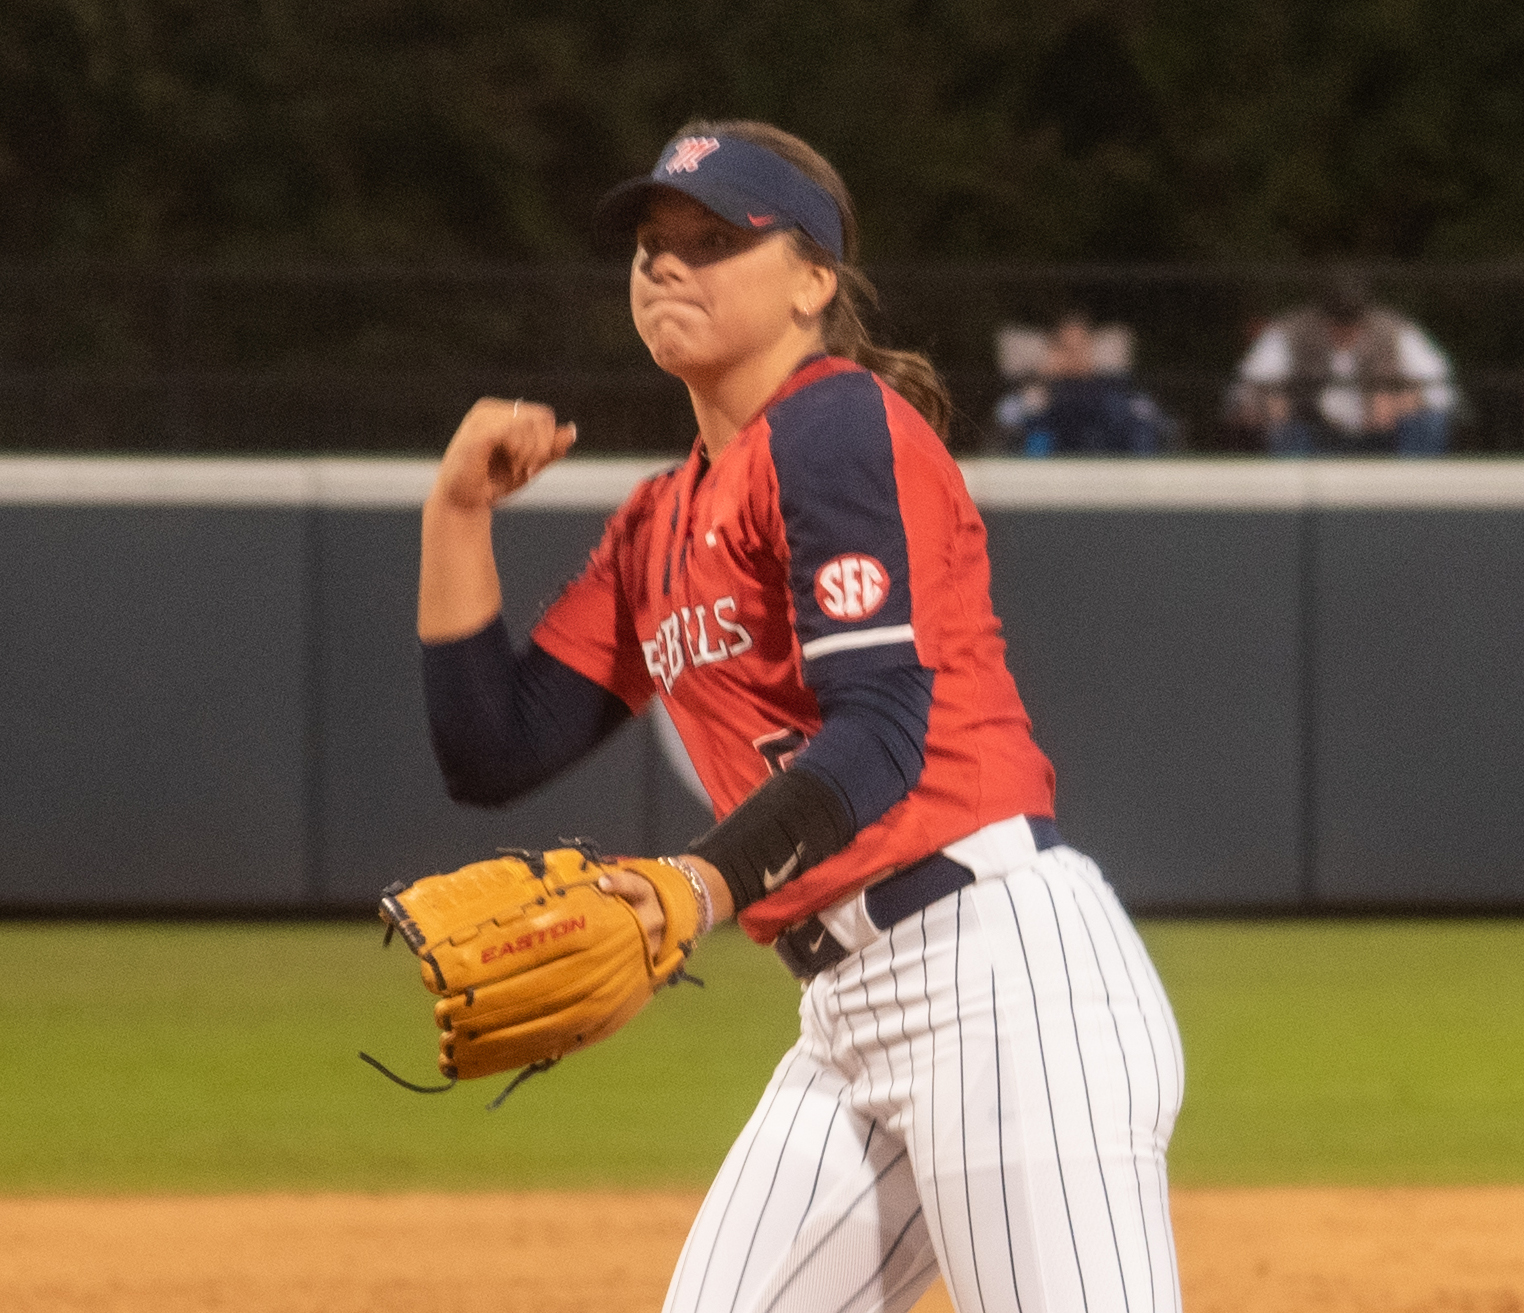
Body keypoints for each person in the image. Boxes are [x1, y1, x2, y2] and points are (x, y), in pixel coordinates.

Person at [418, 120, 1184, 1313]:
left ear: (814, 280)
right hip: (847, 1011)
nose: (667, 264)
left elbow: (880, 729)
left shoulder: (835, 425)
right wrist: (457, 513)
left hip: (1001, 973)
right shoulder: (657, 519)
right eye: (652, 244)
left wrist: (697, 883)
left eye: (714, 239)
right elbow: (492, 747)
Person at [1233, 275, 1454, 454]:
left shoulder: (1395, 332)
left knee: (1429, 422)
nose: (1345, 329)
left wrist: (1404, 402)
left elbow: (1442, 393)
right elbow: (1246, 392)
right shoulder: (1290, 331)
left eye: (1353, 320)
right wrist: (1276, 404)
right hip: (1315, 435)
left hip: (1381, 438)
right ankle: (1288, 502)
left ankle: (1415, 498)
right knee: (1283, 428)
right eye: (1336, 320)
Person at [989, 311, 1172, 455]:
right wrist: (1041, 381)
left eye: (1080, 348)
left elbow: (1152, 418)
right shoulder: (1034, 395)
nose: (1074, 357)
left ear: (1090, 348)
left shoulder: (1115, 392)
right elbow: (1005, 418)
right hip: (1049, 466)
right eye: (1067, 349)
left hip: (1104, 457)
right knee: (1035, 424)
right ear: (1054, 351)